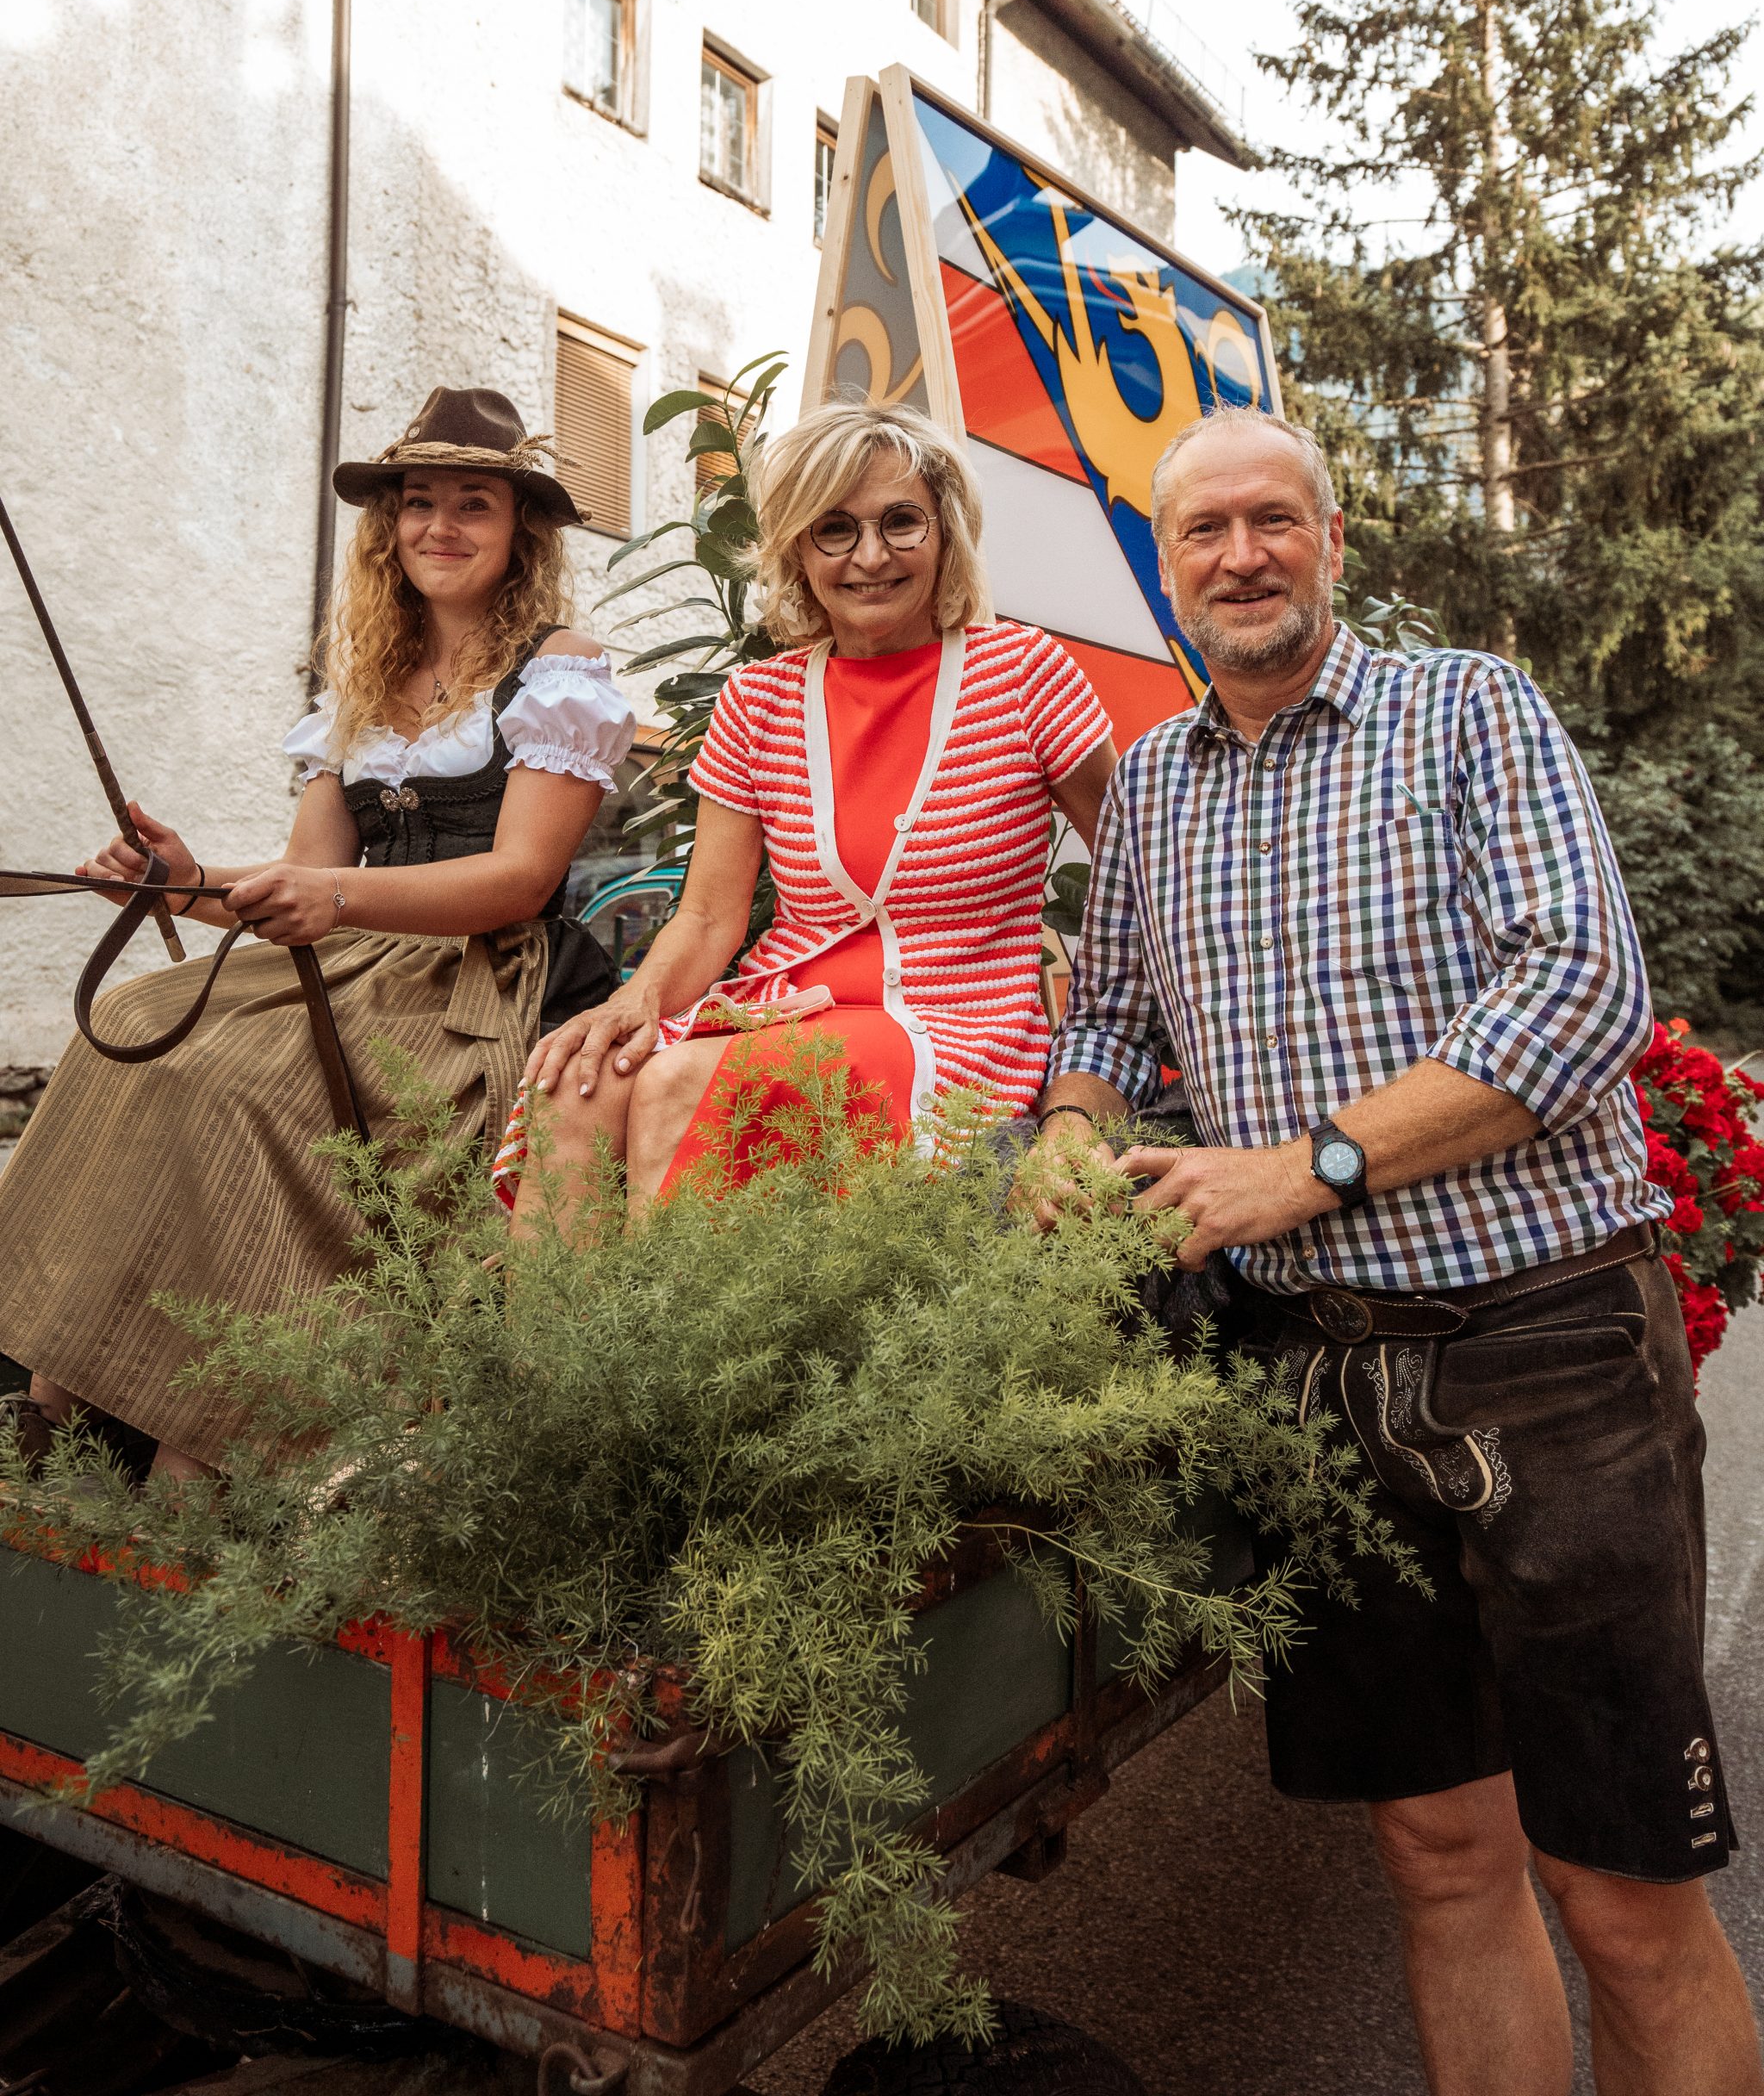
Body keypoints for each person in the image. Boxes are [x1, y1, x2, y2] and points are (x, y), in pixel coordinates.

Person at [1031, 404, 1761, 2096]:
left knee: (1625, 1889)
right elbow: (1112, 1031)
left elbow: (1584, 986)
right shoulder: (1146, 786)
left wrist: (1313, 1164)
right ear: (1162, 565)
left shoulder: (1464, 710)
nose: (1238, 553)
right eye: (1200, 529)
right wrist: (1072, 1133)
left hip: (1546, 1345)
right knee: (1440, 1856)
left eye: (1272, 519)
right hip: (1317, 1383)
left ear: (1331, 540)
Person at [0, 387, 634, 1478]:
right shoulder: (365, 677)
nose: (440, 526)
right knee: (134, 1025)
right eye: (417, 502)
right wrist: (178, 882)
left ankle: (227, 1430)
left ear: (518, 529)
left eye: (471, 505)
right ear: (387, 527)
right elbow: (311, 868)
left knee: (238, 1087)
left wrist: (330, 903)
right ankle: (61, 1389)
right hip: (356, 958)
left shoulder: (557, 667)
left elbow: (521, 880)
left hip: (482, 976)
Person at [498, 397, 1117, 1232]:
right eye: (834, 529)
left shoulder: (1023, 672)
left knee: (676, 1084)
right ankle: (547, 1359)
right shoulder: (760, 698)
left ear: (944, 533)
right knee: (579, 1083)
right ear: (795, 545)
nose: (870, 556)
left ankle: (666, 1349)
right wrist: (630, 1001)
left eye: (901, 522)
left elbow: (1131, 872)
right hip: (782, 1007)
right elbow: (711, 915)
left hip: (951, 1022)